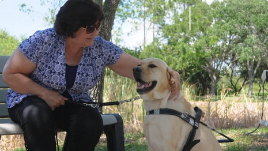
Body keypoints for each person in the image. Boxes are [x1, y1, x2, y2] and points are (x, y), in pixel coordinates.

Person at [2, 0, 181, 150]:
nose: (95, 32)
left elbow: (136, 67)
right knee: (38, 114)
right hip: (29, 101)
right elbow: (10, 74)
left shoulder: (99, 47)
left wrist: (168, 74)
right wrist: (45, 94)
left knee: (90, 120)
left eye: (97, 26)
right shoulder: (43, 41)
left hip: (69, 105)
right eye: (89, 28)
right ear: (70, 26)